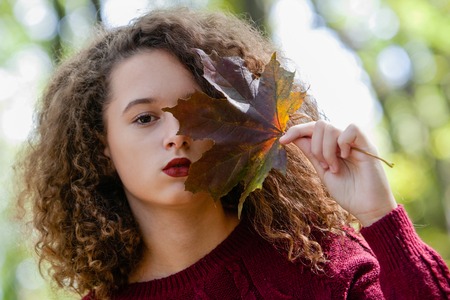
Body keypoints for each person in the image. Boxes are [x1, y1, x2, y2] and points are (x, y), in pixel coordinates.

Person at [15, 7, 449, 300]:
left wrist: (381, 218)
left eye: (197, 112)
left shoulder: (318, 259)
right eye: (145, 119)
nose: (177, 135)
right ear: (101, 148)